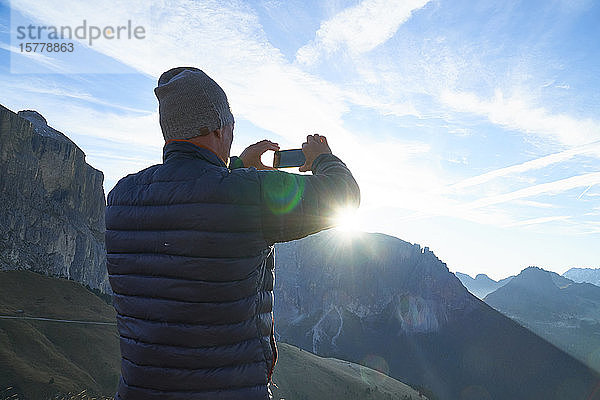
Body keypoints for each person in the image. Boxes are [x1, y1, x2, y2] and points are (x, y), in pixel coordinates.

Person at [105, 67, 360, 400]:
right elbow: (344, 196)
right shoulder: (245, 195)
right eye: (231, 127)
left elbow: (191, 202)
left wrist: (237, 168)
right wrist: (323, 158)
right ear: (218, 128)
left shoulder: (122, 196)